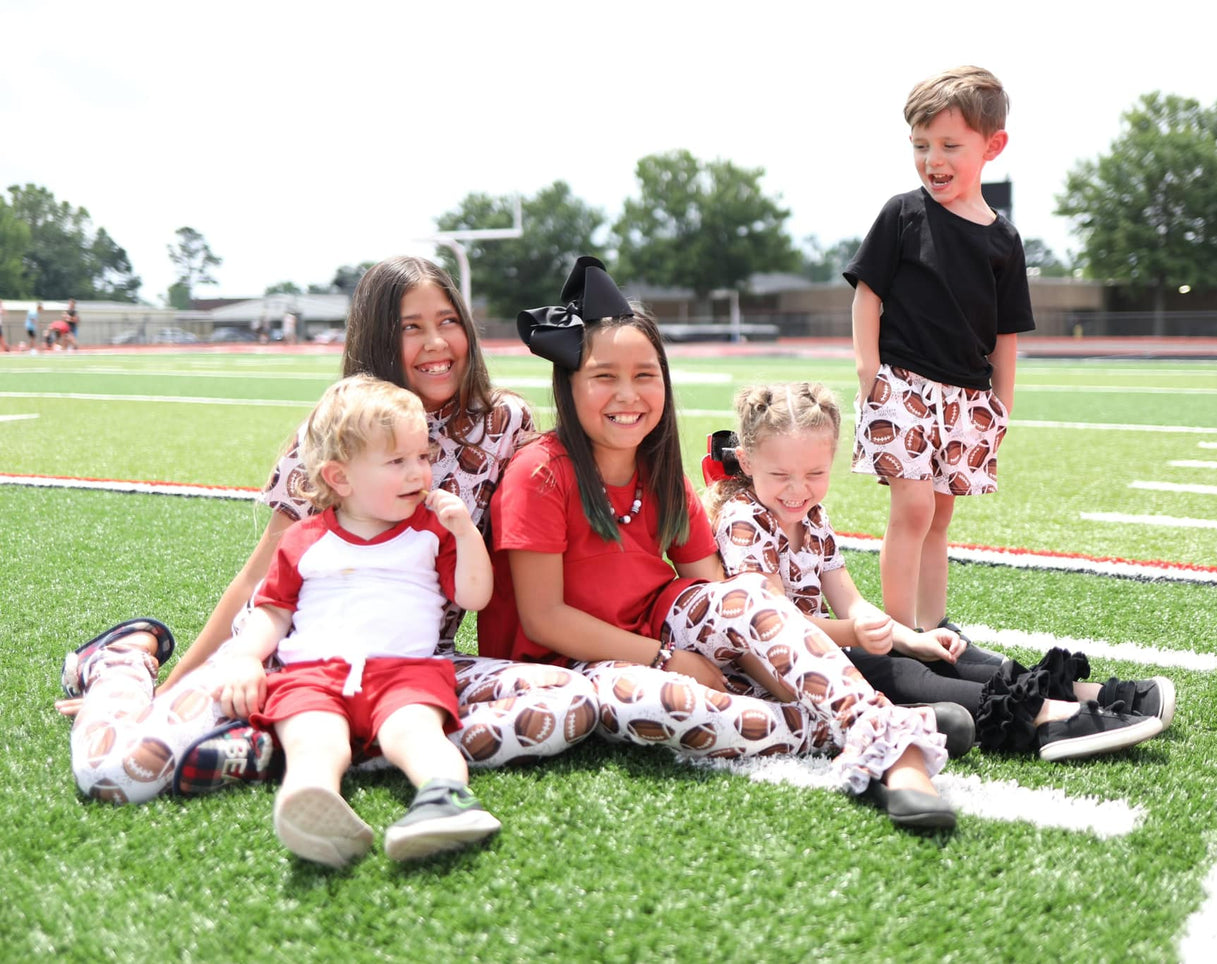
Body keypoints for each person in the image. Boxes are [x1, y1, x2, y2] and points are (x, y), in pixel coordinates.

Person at [57, 255, 598, 807]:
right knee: (118, 774)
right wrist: (172, 693)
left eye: (448, 320)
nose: (437, 342)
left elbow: (552, 510)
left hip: (416, 668)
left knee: (572, 702)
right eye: (411, 327)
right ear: (379, 338)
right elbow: (258, 582)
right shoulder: (334, 430)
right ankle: (121, 662)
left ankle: (277, 747)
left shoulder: (502, 421)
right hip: (291, 661)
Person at [489, 256, 955, 831]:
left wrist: (735, 646)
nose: (628, 394)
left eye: (646, 374)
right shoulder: (539, 471)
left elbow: (714, 589)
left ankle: (895, 745)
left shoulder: (661, 471)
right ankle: (850, 723)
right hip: (573, 669)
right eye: (604, 376)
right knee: (647, 699)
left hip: (662, 624)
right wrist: (669, 660)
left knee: (744, 601)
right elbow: (543, 619)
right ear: (570, 383)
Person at [703, 383, 1172, 760]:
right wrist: (858, 633)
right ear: (746, 462)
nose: (797, 490)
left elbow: (850, 601)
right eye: (781, 475)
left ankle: (1089, 694)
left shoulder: (813, 519)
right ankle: (1051, 719)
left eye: (814, 474)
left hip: (827, 649)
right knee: (899, 671)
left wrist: (912, 636)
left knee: (942, 653)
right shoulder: (744, 520)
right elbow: (774, 623)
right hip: (781, 672)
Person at [218, 375, 500, 866]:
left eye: (423, 458)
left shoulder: (431, 531)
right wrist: (244, 658)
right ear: (340, 478)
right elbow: (273, 611)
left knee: (414, 734)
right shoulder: (305, 540)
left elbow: (474, 596)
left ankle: (444, 799)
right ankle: (311, 799)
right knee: (311, 736)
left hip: (404, 673)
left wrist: (465, 532)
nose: (418, 473)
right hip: (313, 675)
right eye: (397, 461)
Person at [848, 64, 1030, 639]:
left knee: (941, 512)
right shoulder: (902, 213)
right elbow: (867, 295)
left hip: (967, 397)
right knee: (914, 508)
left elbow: (1005, 333)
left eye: (951, 145)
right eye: (921, 146)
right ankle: (899, 634)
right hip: (901, 385)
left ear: (992, 146)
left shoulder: (1003, 239)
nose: (934, 160)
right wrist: (868, 372)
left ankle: (935, 625)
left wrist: (1001, 404)